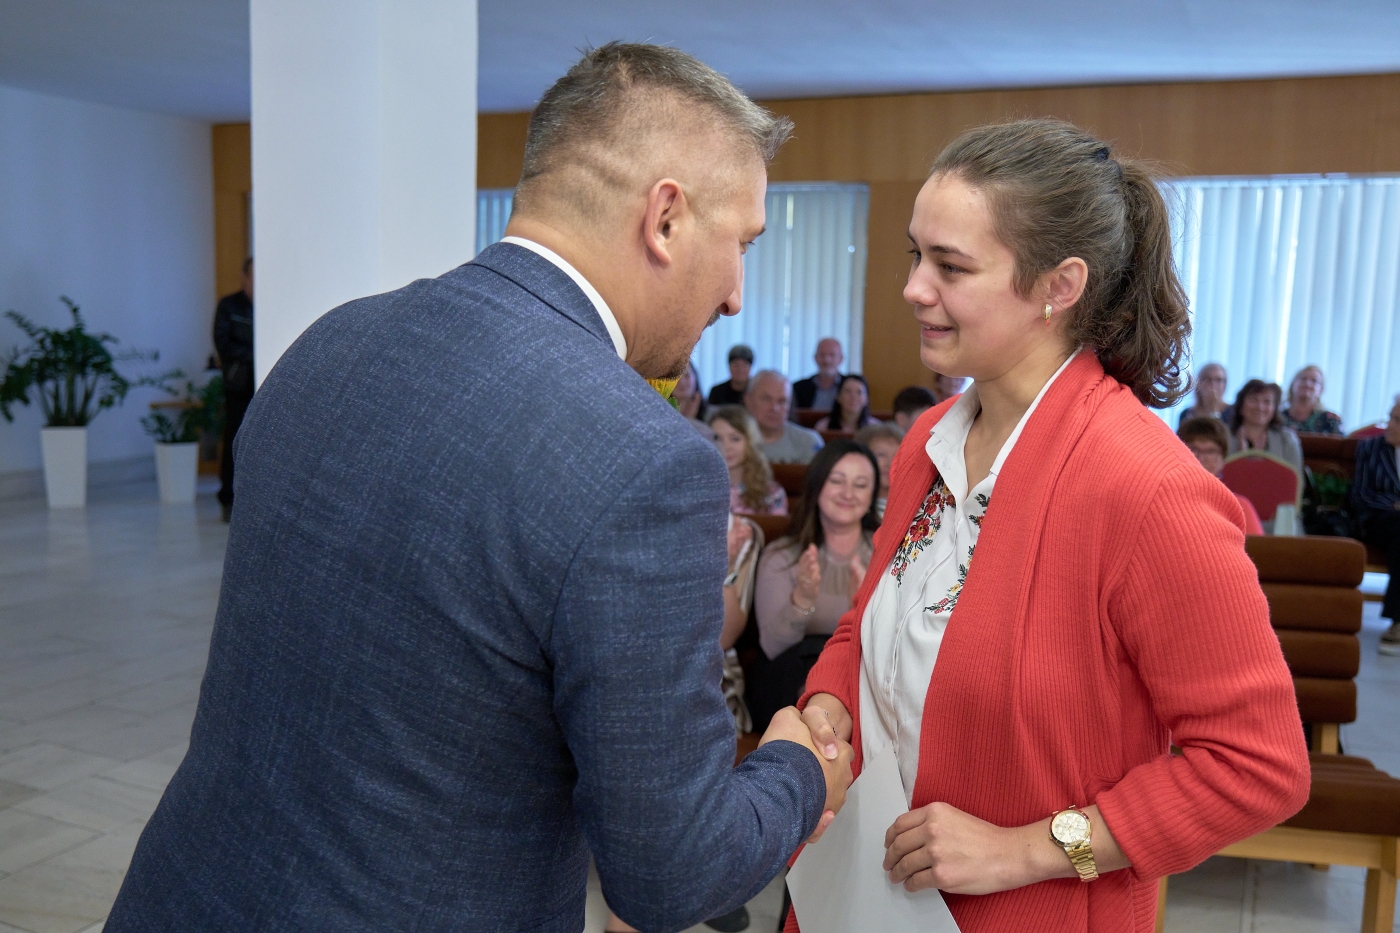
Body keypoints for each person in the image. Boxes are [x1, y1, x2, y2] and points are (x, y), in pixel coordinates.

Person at [106, 43, 854, 933]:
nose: (735, 295)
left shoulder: (329, 340)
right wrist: (799, 769)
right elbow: (670, 872)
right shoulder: (646, 461)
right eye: (743, 244)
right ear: (664, 218)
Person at [790, 119, 1308, 933]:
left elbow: (1258, 766)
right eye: (915, 255)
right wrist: (826, 705)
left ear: (1058, 286)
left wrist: (1027, 848)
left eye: (951, 265)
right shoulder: (929, 441)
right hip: (859, 896)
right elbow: (870, 620)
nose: (914, 287)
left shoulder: (1147, 489)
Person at [748, 439, 878, 732]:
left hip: (862, 683)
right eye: (837, 481)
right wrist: (803, 600)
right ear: (817, 485)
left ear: (872, 495)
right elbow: (772, 647)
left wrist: (861, 612)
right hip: (790, 684)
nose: (848, 493)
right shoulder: (782, 556)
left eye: (860, 485)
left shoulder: (888, 554)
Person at [1351, 396, 1400, 655]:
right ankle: (1397, 621)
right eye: (1390, 417)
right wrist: (1396, 505)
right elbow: (1361, 496)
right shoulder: (1370, 448)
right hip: (1379, 521)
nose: (1389, 425)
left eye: (1397, 420)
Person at [213, 257, 254, 523]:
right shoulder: (229, 306)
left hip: (263, 383)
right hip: (238, 385)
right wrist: (254, 353)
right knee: (234, 440)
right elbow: (224, 345)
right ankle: (228, 498)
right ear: (244, 277)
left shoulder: (272, 305)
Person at [1178, 417, 1265, 535]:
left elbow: (1257, 545)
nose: (1201, 457)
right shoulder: (1165, 501)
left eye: (1211, 451)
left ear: (1223, 459)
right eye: (1193, 449)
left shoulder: (1238, 507)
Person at [709, 405, 787, 517]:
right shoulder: (697, 489)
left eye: (735, 438)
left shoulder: (772, 493)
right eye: (718, 439)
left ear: (751, 442)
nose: (726, 447)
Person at [745, 370, 824, 464]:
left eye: (782, 401)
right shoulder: (732, 440)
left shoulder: (809, 442)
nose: (774, 408)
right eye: (767, 399)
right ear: (748, 401)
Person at [1229, 379, 1304, 474]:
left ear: (1274, 409)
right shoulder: (1224, 437)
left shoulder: (1287, 440)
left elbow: (1295, 479)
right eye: (1253, 400)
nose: (1260, 407)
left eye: (1267, 402)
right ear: (1240, 405)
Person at [854, 422, 904, 519]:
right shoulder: (851, 503)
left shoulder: (916, 506)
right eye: (881, 455)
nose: (890, 463)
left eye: (897, 456)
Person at [1281, 364, 1343, 434]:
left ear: (1321, 389)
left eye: (1314, 381)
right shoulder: (1278, 418)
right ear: (1292, 384)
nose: (1307, 384)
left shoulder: (1331, 420)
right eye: (1303, 379)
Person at [792, 337, 845, 412]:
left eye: (832, 355)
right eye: (822, 355)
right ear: (815, 358)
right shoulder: (798, 388)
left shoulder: (851, 388)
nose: (826, 360)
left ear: (841, 359)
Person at [1178, 361, 1233, 426]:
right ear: (1199, 382)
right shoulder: (1187, 414)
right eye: (1208, 379)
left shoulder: (1233, 412)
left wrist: (1213, 411)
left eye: (1219, 380)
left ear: (1225, 384)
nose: (1213, 384)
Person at [676, 361, 712, 438]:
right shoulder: (659, 413)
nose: (681, 382)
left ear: (695, 378)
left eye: (687, 376)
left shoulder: (711, 415)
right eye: (676, 377)